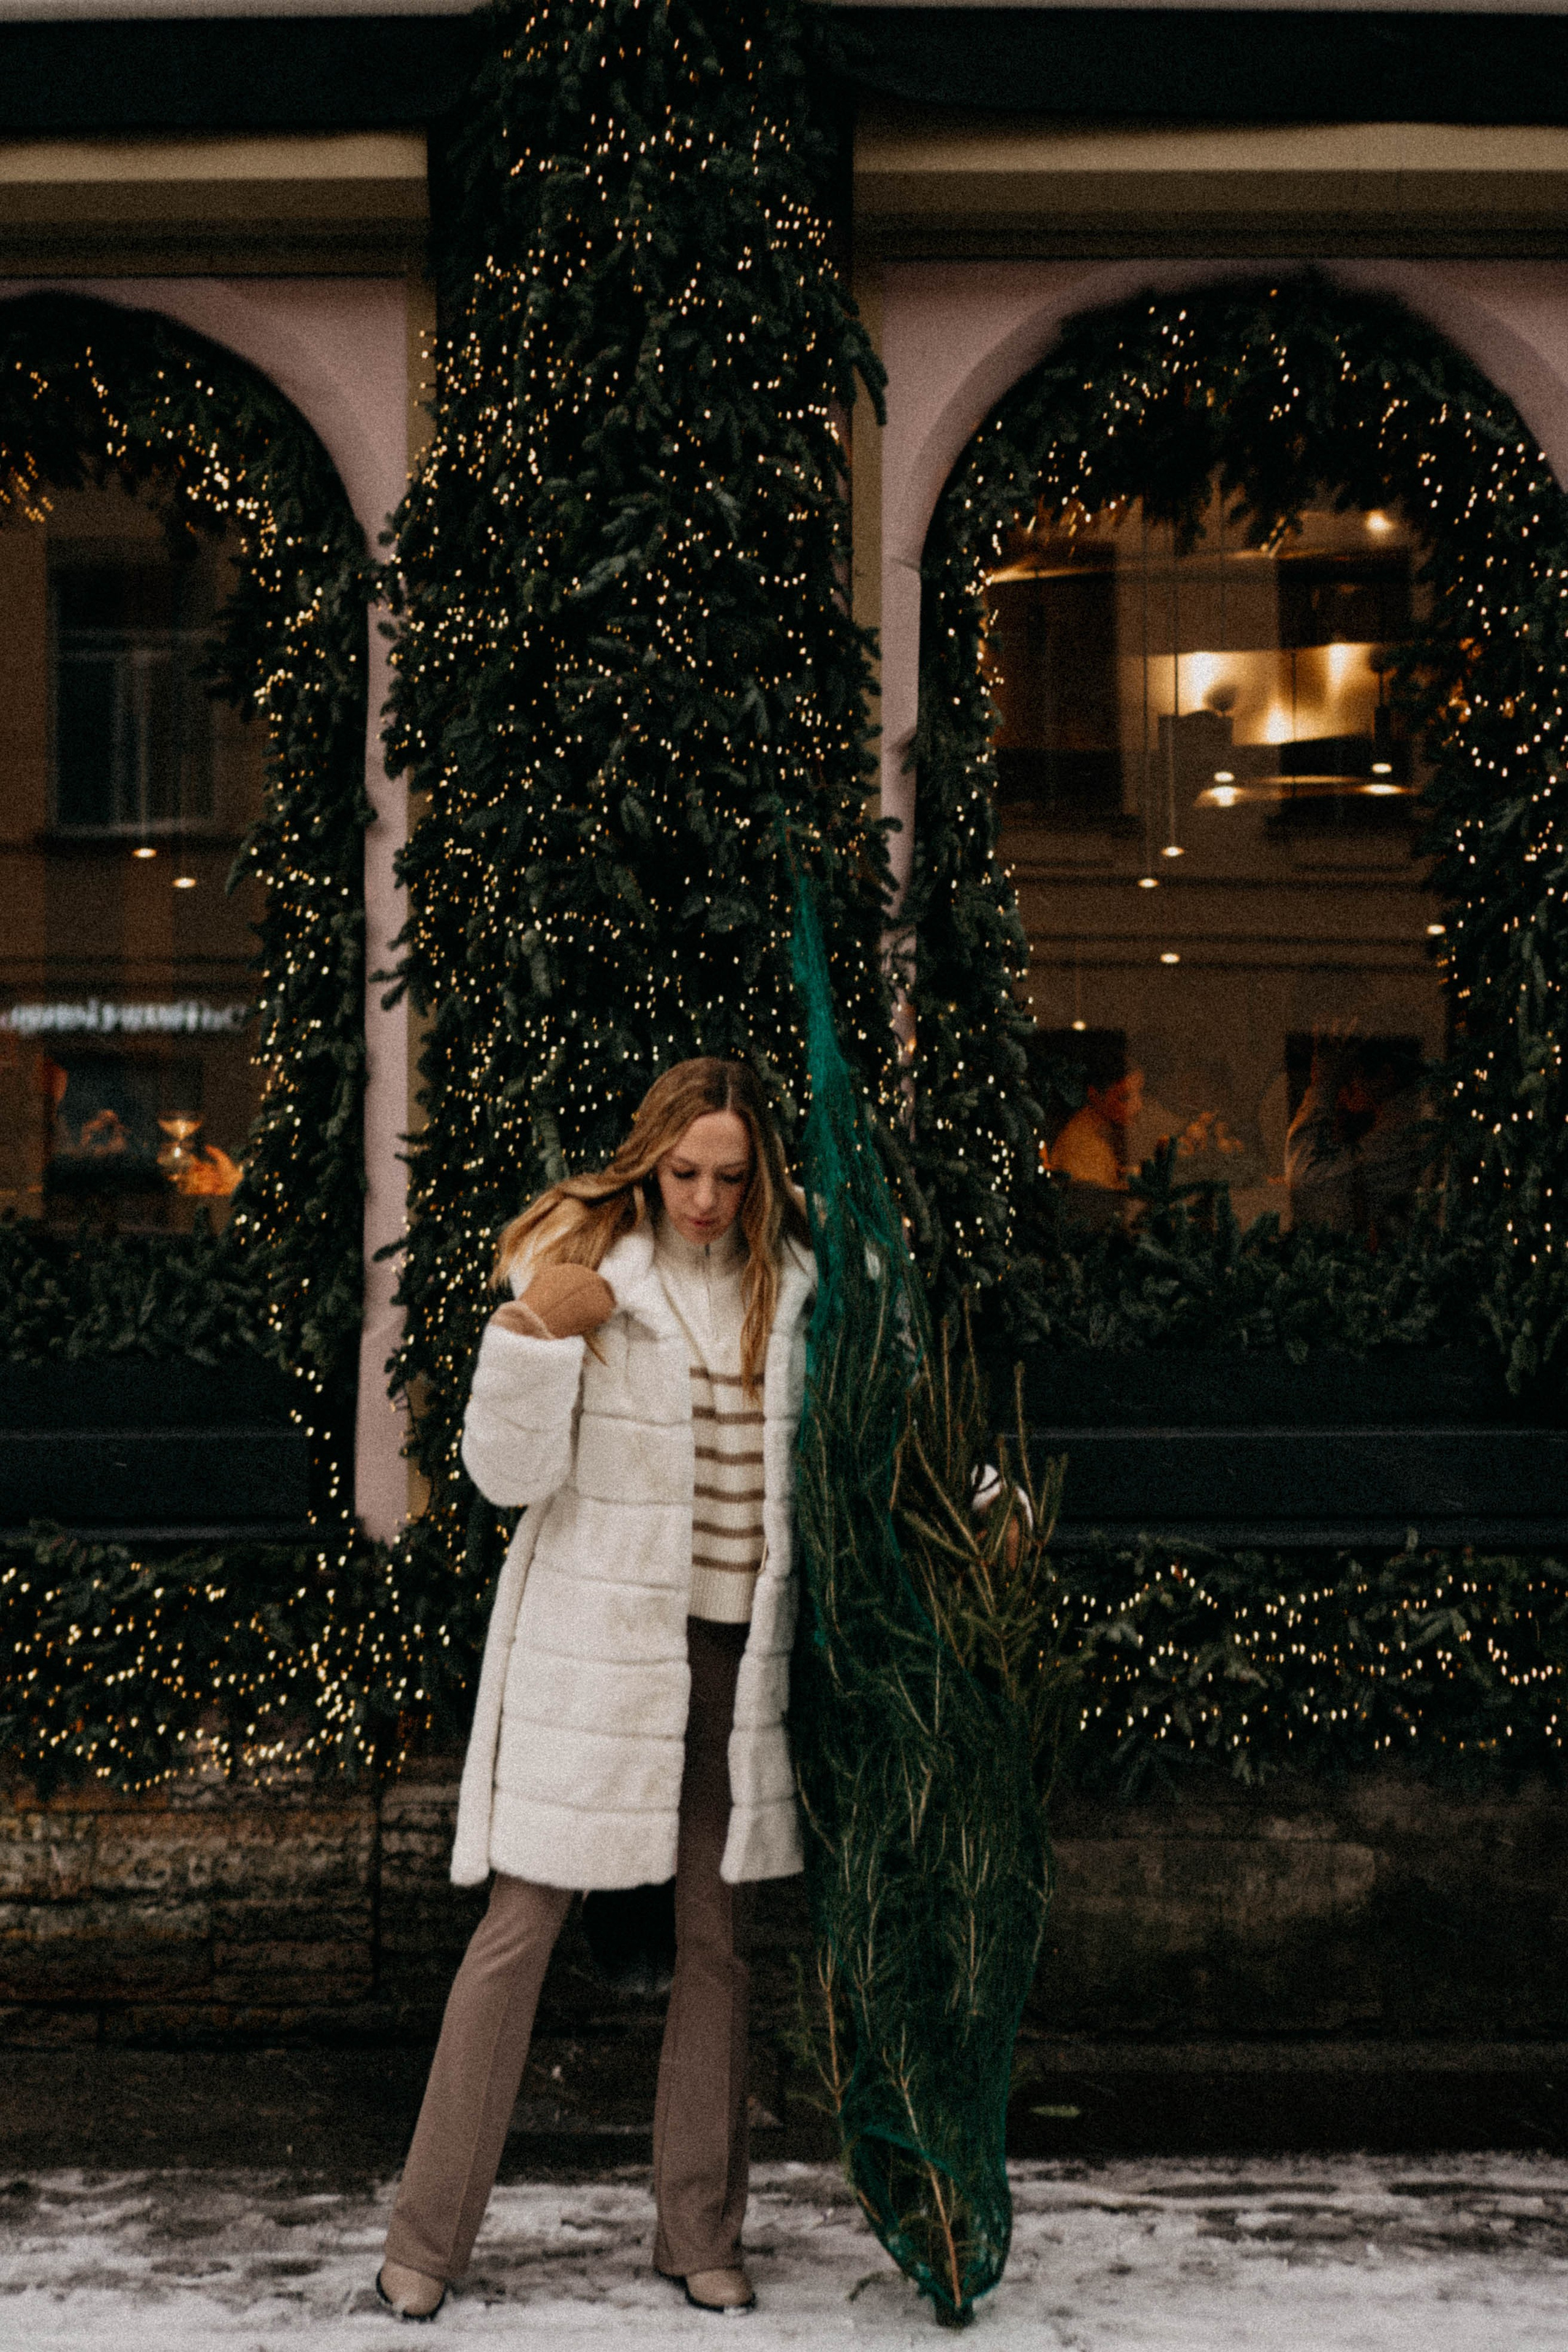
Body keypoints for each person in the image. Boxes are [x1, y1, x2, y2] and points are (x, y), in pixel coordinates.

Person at [377, 1057, 815, 2323]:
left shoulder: (792, 1290)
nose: (704, 1199)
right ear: (650, 1157)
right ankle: (424, 2242)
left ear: (760, 1175)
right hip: (597, 1644)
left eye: (731, 1178)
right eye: (684, 1172)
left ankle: (699, 2233)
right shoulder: (583, 1270)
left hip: (738, 1657)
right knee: (519, 1931)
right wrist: (528, 1337)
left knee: (714, 1946)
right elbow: (506, 1478)